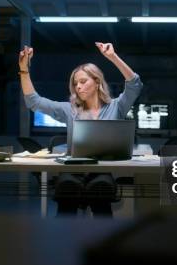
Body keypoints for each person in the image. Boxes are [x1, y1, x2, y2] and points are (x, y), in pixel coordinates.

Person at [18, 42, 143, 217]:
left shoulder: (117, 107)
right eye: (75, 83)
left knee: (101, 189)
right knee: (67, 188)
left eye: (83, 81)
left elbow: (135, 84)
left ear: (97, 82)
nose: (78, 86)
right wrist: (24, 70)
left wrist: (112, 57)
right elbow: (34, 101)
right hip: (72, 170)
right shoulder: (69, 109)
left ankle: (103, 241)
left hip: (102, 171)